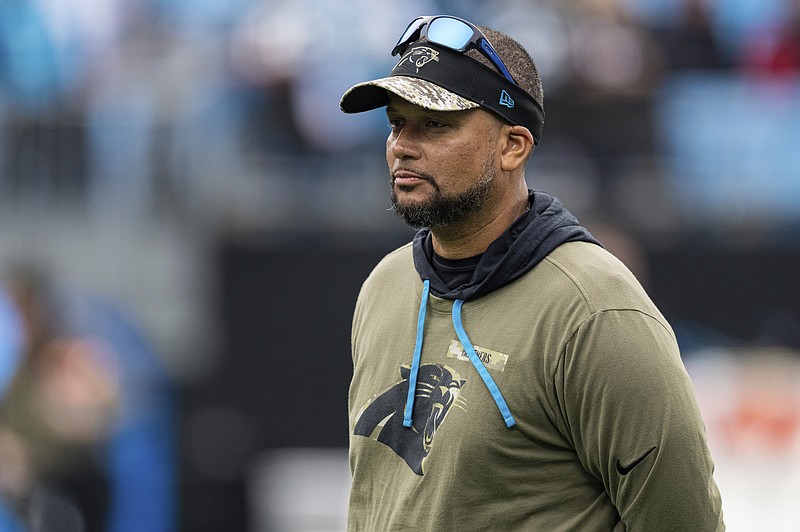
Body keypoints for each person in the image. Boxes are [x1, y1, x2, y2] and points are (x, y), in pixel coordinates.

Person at [339, 14, 724, 531]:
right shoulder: (386, 285)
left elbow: (685, 522)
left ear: (513, 147)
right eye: (396, 122)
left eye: (435, 123)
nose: (402, 145)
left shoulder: (595, 312)